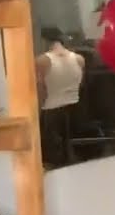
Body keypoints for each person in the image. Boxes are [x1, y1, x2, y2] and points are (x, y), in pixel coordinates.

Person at [35, 26, 85, 168]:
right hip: (78, 111)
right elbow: (81, 85)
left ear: (43, 40)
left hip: (52, 113)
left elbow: (41, 91)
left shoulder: (42, 61)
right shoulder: (79, 59)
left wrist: (36, 112)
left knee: (54, 162)